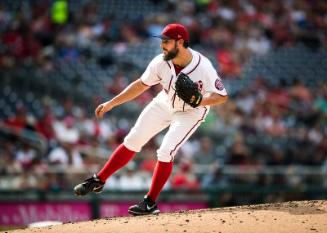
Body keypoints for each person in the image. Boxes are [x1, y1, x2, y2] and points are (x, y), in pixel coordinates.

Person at [74, 23, 228, 215]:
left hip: (190, 112)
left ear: (180, 42)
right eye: (162, 41)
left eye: (166, 41)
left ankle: (150, 202)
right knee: (133, 139)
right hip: (165, 102)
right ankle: (99, 180)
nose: (162, 45)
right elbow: (140, 85)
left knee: (165, 151)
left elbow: (222, 96)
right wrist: (111, 103)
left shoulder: (203, 66)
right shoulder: (160, 62)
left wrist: (201, 101)